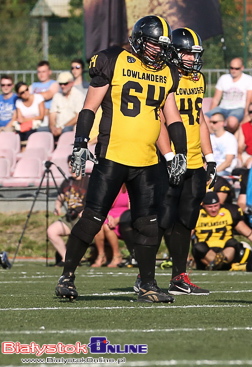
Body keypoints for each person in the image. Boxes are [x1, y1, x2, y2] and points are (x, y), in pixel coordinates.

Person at [54, 15, 187, 303]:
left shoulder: (167, 71)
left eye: (162, 45)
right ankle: (67, 277)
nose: (158, 51)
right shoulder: (113, 59)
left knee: (149, 223)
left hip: (147, 160)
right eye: (153, 44)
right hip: (113, 155)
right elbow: (89, 107)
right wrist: (79, 142)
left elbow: (171, 116)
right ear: (140, 40)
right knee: (92, 218)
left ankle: (148, 284)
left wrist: (178, 153)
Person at [154, 27, 217, 296]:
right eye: (187, 53)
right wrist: (169, 157)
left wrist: (210, 157)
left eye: (195, 54)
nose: (192, 59)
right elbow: (157, 120)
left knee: (186, 221)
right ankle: (144, 276)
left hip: (193, 161)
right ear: (173, 52)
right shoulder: (165, 76)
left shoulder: (198, 79)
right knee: (162, 219)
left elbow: (199, 119)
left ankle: (179, 277)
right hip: (170, 159)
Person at [192, 192, 252, 270]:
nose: (214, 209)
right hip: (207, 251)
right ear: (203, 206)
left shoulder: (228, 212)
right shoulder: (197, 215)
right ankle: (218, 263)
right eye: (210, 207)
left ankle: (216, 263)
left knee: (232, 243)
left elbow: (249, 233)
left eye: (216, 206)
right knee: (198, 247)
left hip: (226, 250)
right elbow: (187, 237)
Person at [47, 156, 90, 266]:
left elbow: (95, 200)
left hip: (83, 217)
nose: (72, 169)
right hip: (70, 216)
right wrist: (57, 207)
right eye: (70, 167)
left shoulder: (89, 181)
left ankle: (75, 259)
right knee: (51, 231)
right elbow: (61, 197)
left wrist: (85, 211)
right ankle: (66, 259)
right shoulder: (67, 182)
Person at [204, 57, 252, 133]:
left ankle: (229, 139)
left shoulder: (248, 80)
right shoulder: (223, 78)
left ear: (242, 68)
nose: (233, 70)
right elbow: (215, 99)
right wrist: (212, 115)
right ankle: (214, 139)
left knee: (232, 122)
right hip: (223, 108)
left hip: (238, 108)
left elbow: (248, 101)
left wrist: (246, 116)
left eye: (236, 68)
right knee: (204, 119)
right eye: (231, 68)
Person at [92, 185, 128, 267]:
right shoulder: (111, 187)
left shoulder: (129, 188)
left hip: (123, 216)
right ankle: (101, 255)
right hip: (110, 215)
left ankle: (117, 255)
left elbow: (131, 209)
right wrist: (108, 216)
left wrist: (117, 219)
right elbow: (104, 206)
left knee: (107, 226)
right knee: (97, 225)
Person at [49, 72, 85, 137]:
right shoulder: (57, 96)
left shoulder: (79, 95)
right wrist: (52, 128)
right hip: (58, 127)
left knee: (66, 130)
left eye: (65, 83)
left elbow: (78, 117)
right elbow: (52, 115)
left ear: (72, 83)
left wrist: (62, 127)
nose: (62, 86)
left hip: (71, 127)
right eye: (60, 84)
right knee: (41, 130)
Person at [31, 60, 59, 132]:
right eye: (39, 72)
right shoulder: (33, 85)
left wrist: (31, 96)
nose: (41, 74)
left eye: (44, 71)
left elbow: (47, 95)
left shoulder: (54, 84)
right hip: (33, 117)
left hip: (48, 117)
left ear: (49, 72)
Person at [209, 112, 238, 176]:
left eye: (214, 122)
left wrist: (213, 172)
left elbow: (228, 162)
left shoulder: (230, 138)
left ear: (222, 123)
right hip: (211, 170)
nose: (211, 124)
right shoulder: (209, 137)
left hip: (225, 171)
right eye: (210, 122)